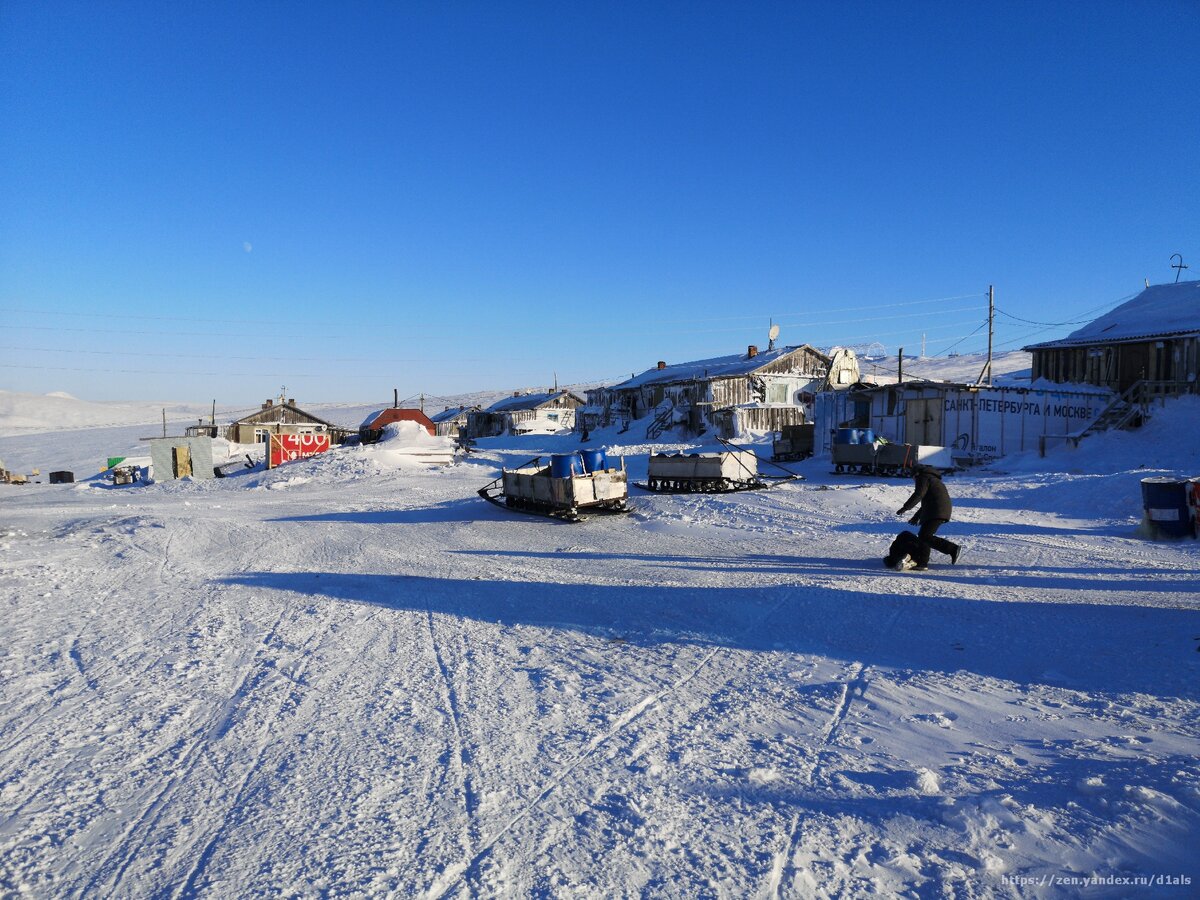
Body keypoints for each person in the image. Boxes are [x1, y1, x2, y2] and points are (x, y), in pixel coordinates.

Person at [896, 465, 961, 569]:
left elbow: (918, 495)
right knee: (924, 536)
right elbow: (926, 501)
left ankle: (952, 549)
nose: (913, 479)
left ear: (916, 474)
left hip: (936, 510)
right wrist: (916, 517)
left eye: (912, 477)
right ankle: (922, 563)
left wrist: (905, 508)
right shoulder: (931, 478)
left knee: (925, 536)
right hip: (938, 509)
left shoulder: (923, 477)